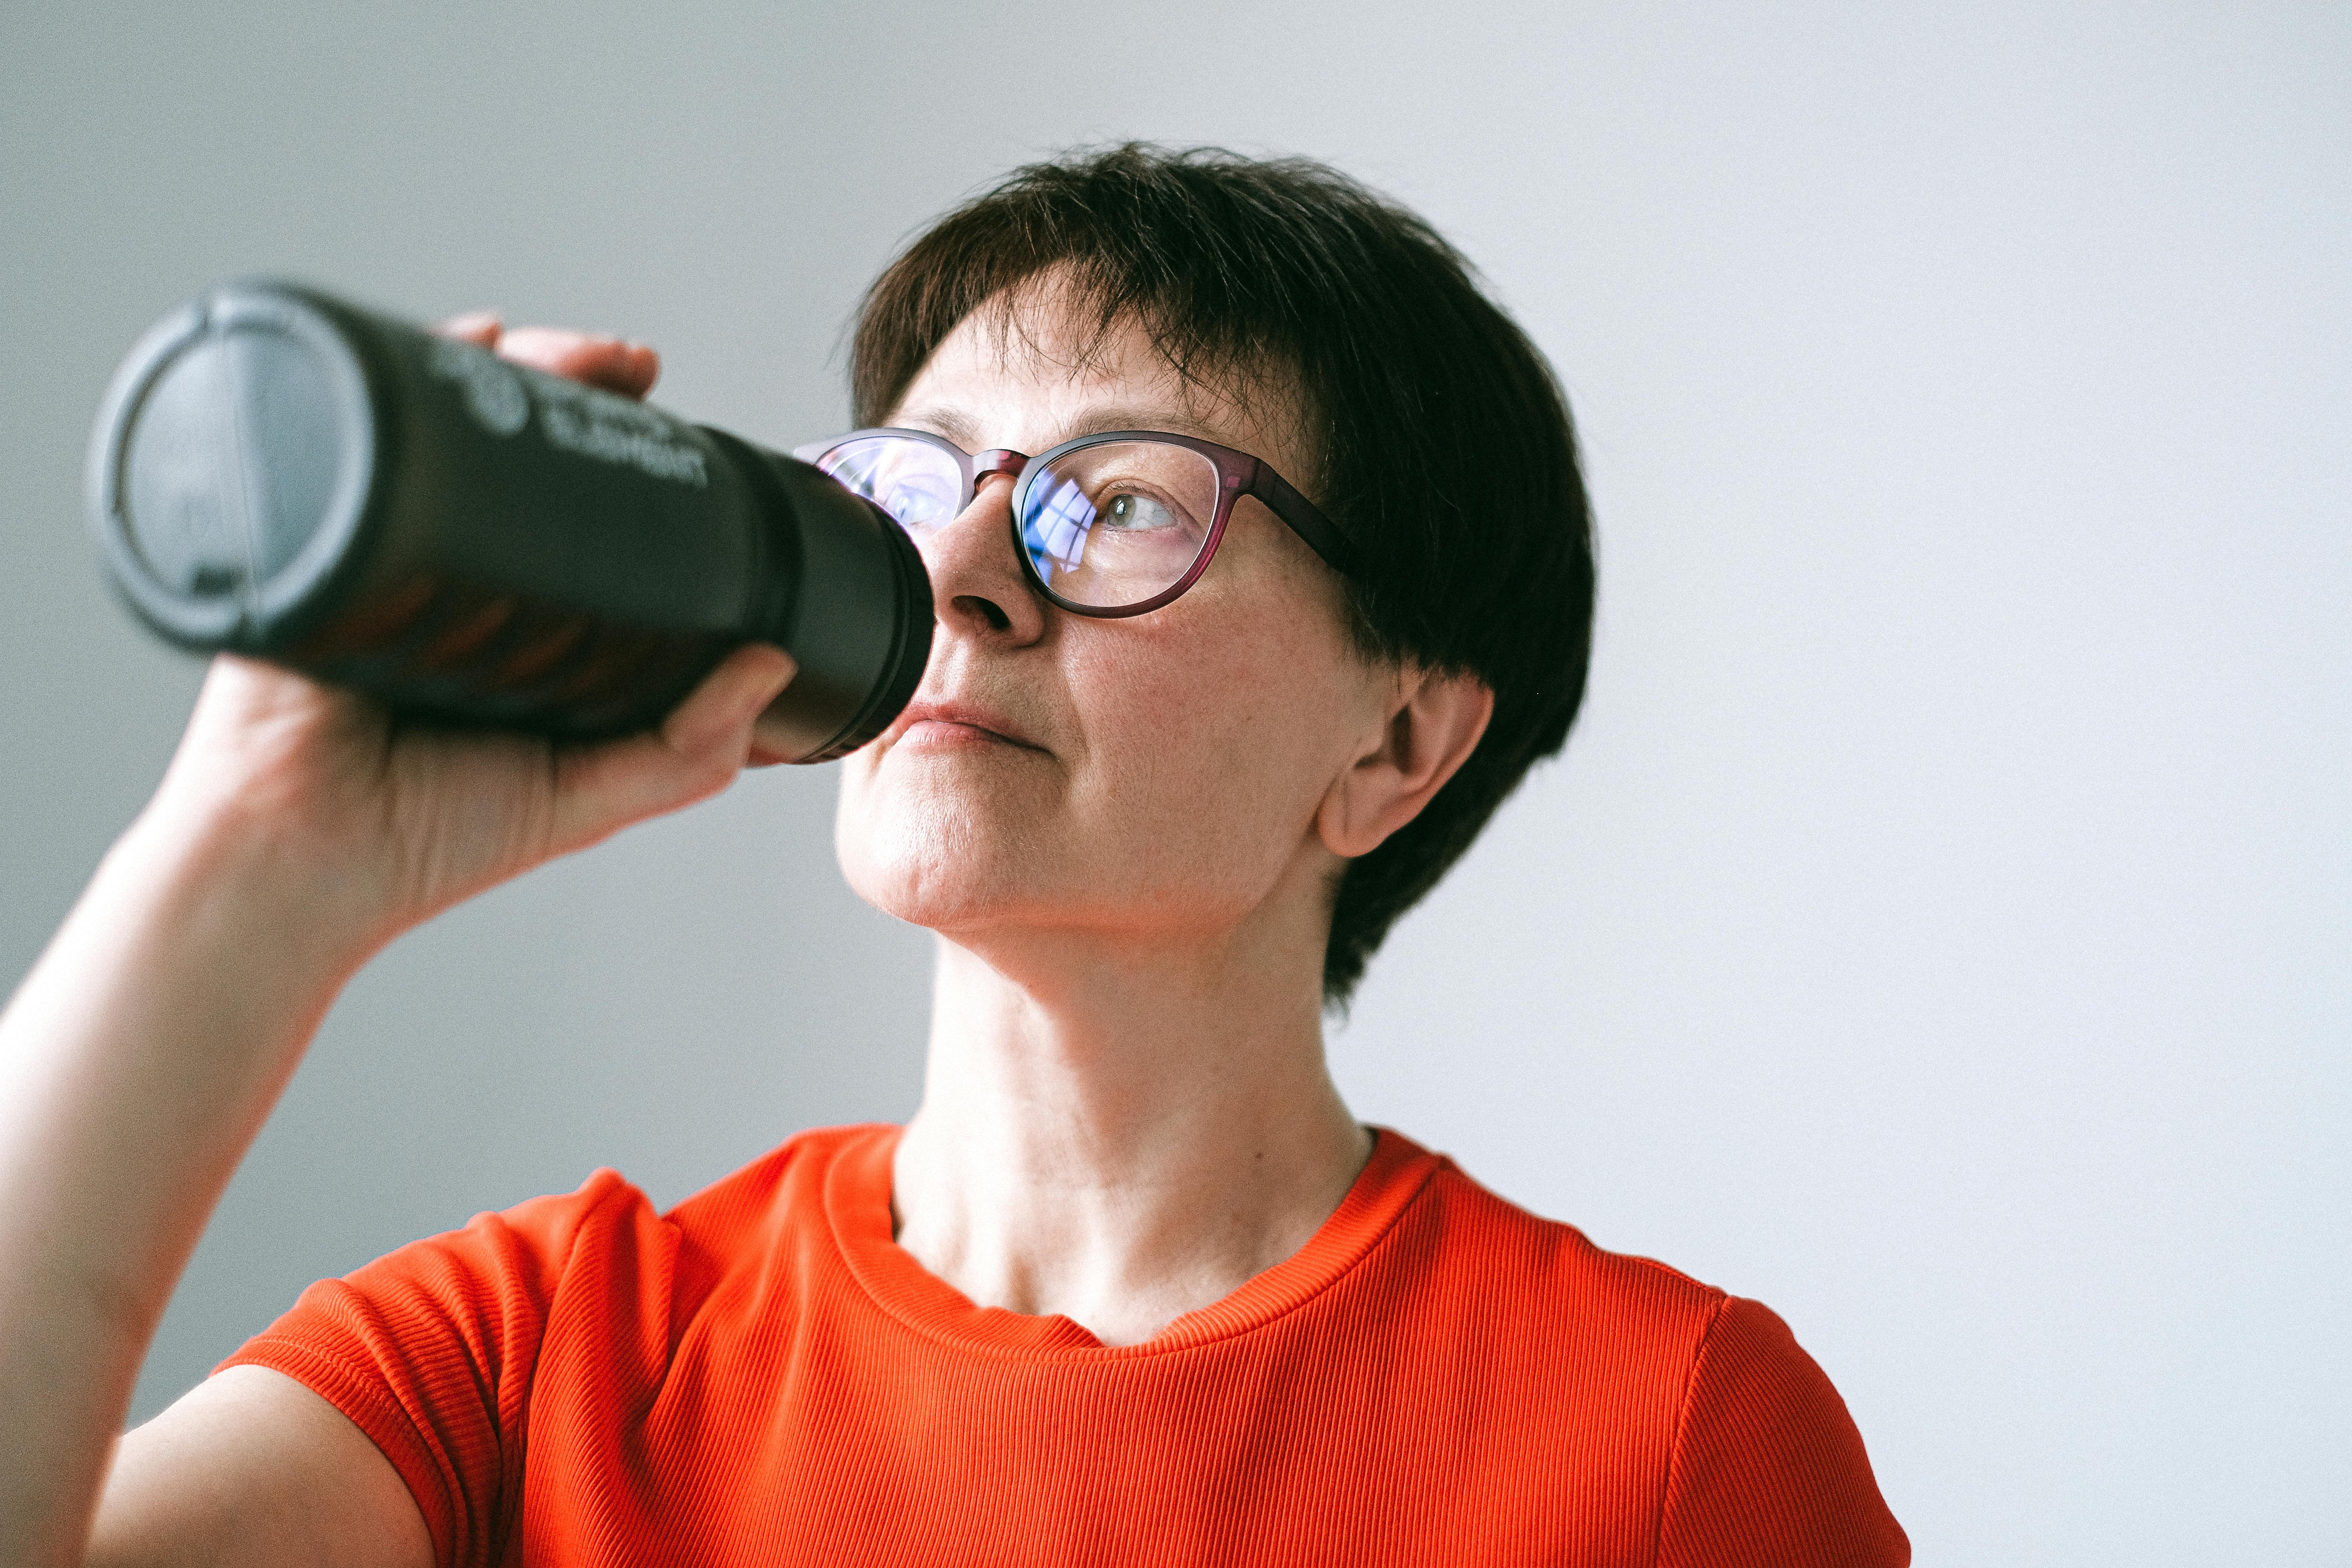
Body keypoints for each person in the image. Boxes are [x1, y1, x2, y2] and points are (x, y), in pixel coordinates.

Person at [0, 146, 1908, 1567]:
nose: (963, 577)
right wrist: (257, 855)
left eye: (1120, 502)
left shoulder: (1667, 1439)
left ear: (1395, 739)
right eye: (926, 479)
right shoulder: (537, 1354)